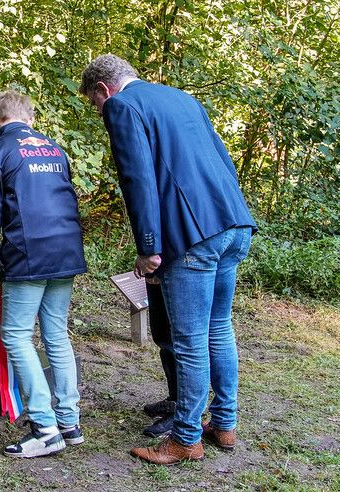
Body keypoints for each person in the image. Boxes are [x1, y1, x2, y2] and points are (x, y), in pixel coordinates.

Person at [80, 54, 257, 465]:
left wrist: (148, 246)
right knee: (219, 328)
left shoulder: (123, 105)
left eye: (94, 103)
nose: (99, 110)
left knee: (190, 341)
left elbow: (138, 178)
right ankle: (225, 425)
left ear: (104, 90)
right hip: (232, 223)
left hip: (191, 235)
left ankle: (185, 439)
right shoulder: (182, 98)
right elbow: (222, 161)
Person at [0, 90, 87, 458]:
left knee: (16, 334)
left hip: (28, 251)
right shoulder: (55, 149)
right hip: (66, 248)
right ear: (30, 118)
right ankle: (69, 421)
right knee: (55, 335)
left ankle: (45, 429)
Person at [142, 276, 177, 438]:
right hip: (165, 263)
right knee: (163, 335)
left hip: (176, 265)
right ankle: (174, 400)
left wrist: (151, 255)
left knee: (174, 339)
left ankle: (180, 411)